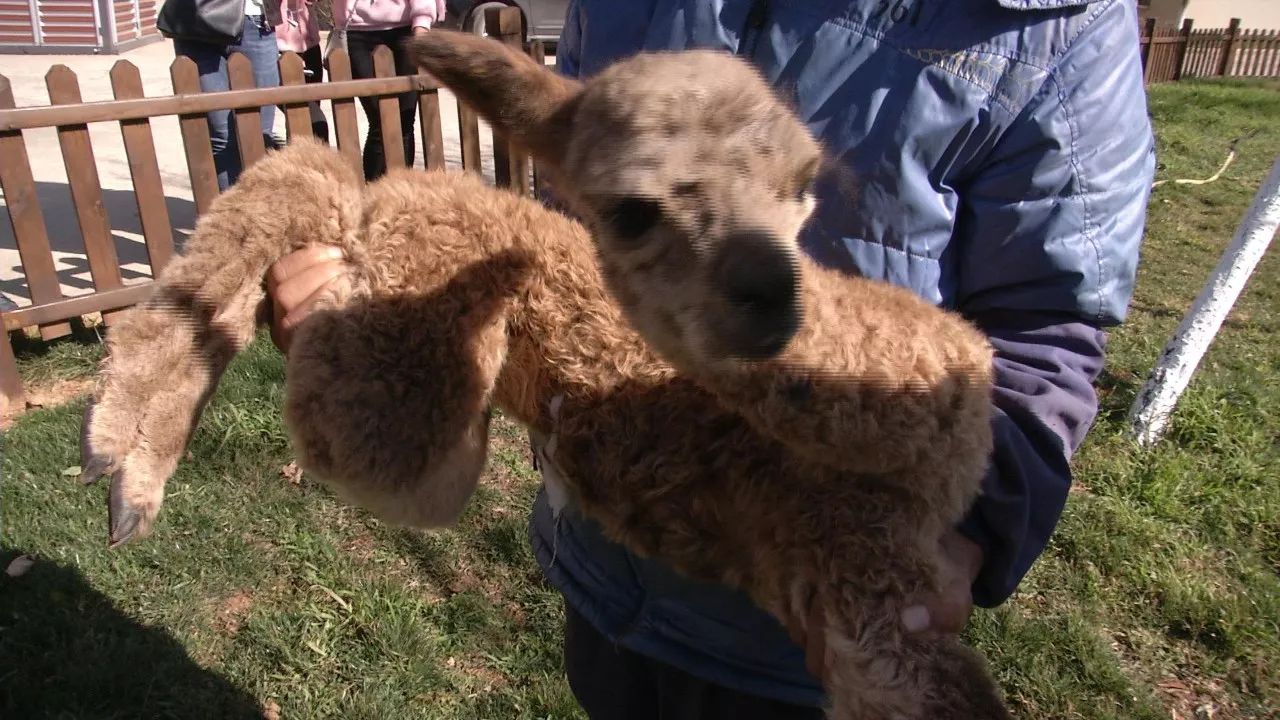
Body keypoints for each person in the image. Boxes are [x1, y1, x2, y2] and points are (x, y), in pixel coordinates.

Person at [265, 0, 1156, 716]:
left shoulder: (1051, 30)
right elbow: (585, 221)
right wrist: (385, 321)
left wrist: (968, 536)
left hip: (805, 615)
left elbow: (1050, 325)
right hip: (608, 548)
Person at [170, 0, 285, 191]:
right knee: (221, 134)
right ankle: (230, 214)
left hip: (254, 21)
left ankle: (257, 212)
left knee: (257, 134)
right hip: (197, 21)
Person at [329, 0, 446, 180]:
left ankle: (402, 189)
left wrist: (422, 26)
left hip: (404, 29)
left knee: (405, 120)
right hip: (357, 30)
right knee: (379, 120)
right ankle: (372, 190)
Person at [275, 0, 329, 143]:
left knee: (301, 120)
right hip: (277, 46)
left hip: (309, 44)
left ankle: (297, 161)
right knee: (315, 122)